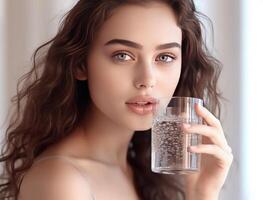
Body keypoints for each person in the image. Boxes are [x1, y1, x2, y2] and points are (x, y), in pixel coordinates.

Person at [0, 0, 233, 199]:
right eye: (123, 55)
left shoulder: (140, 171)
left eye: (165, 56)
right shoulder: (62, 181)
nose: (147, 80)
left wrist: (202, 193)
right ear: (80, 64)